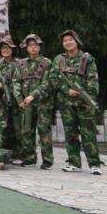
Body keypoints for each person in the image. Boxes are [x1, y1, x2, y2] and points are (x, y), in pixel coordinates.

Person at [52, 29, 101, 174]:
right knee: (70, 133)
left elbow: (93, 80)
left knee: (88, 134)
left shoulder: (87, 58)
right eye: (65, 41)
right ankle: (74, 163)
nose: (68, 42)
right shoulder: (59, 59)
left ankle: (94, 164)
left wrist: (90, 99)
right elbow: (53, 78)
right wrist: (66, 90)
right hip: (66, 103)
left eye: (70, 40)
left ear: (76, 41)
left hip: (84, 103)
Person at [12, 33, 55, 169]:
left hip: (43, 102)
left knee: (44, 130)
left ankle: (47, 160)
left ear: (40, 47)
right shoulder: (21, 63)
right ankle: (29, 158)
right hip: (26, 103)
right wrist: (19, 99)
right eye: (30, 45)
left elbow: (47, 83)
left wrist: (33, 96)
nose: (33, 47)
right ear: (26, 48)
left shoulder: (47, 62)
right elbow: (16, 82)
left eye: (36, 45)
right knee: (27, 131)